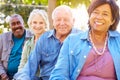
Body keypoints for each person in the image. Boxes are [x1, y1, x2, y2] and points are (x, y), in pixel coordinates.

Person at [49, 0, 120, 80]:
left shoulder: (118, 41)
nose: (99, 17)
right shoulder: (72, 41)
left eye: (105, 14)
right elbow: (59, 74)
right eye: (95, 12)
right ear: (90, 15)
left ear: (112, 20)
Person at [13, 5, 80, 80]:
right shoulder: (44, 39)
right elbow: (29, 66)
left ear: (73, 21)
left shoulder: (81, 39)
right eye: (58, 19)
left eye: (66, 19)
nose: (62, 23)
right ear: (53, 21)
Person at [0, 14, 33, 80]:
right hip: (5, 76)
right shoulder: (2, 38)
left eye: (18, 23)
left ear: (23, 23)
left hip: (25, 76)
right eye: (13, 24)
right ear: (10, 26)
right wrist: (2, 73)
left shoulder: (32, 36)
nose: (16, 26)